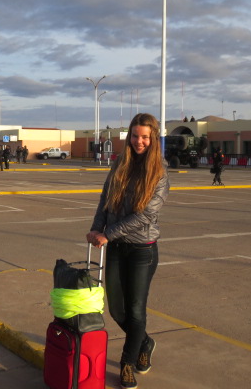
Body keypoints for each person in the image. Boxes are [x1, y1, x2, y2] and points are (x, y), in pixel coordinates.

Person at [86, 113, 169, 389]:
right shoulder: (120, 165)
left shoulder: (159, 173)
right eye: (135, 136)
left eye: (145, 137)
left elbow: (145, 216)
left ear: (153, 138)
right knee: (117, 309)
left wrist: (107, 234)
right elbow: (105, 200)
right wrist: (96, 228)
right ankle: (144, 341)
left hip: (142, 250)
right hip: (115, 247)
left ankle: (127, 363)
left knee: (135, 311)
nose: (139, 141)